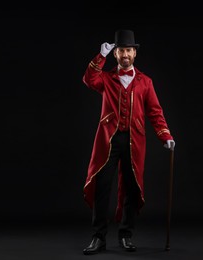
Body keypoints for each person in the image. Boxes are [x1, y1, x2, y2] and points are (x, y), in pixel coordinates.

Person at [81, 29, 175, 255]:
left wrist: (165, 135)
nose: (125, 54)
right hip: (108, 141)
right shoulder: (106, 78)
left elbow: (155, 112)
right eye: (121, 50)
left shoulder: (145, 82)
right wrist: (100, 57)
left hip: (135, 141)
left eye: (129, 50)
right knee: (102, 186)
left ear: (135, 54)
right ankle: (98, 237)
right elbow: (89, 79)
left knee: (132, 188)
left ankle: (126, 235)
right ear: (116, 54)